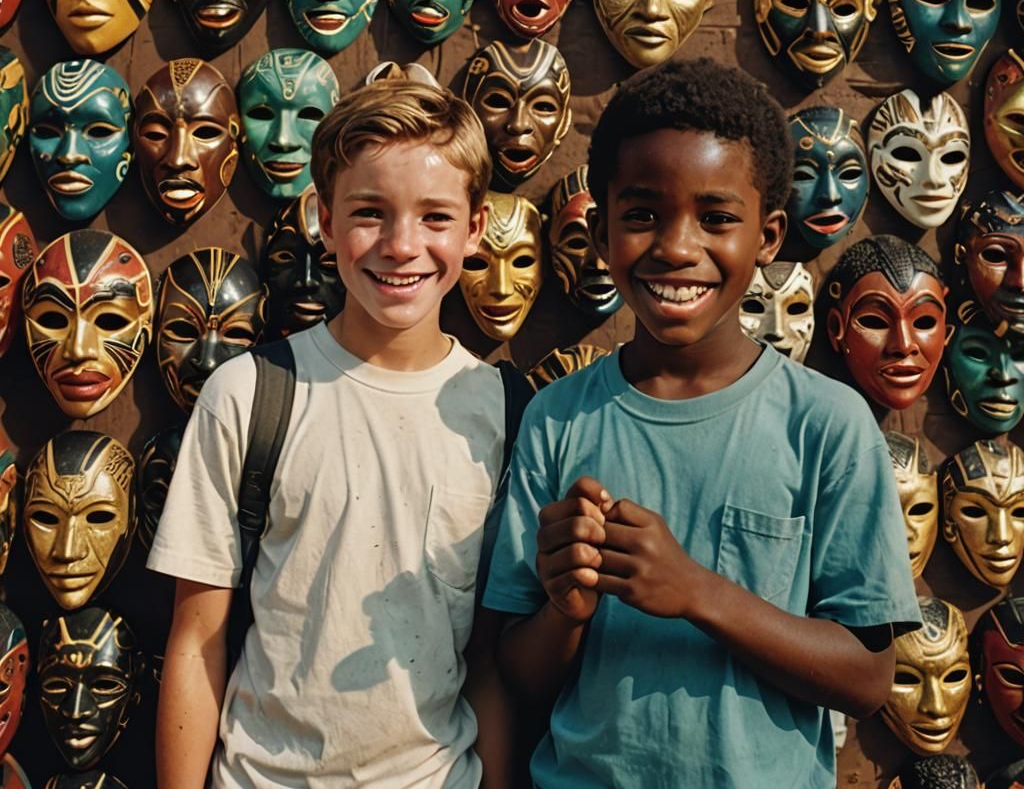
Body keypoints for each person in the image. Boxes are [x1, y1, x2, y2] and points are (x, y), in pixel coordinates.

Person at [482, 59, 921, 788]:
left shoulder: (826, 425)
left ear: (769, 236)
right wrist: (566, 608)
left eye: (716, 218)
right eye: (643, 214)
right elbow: (520, 673)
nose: (678, 247)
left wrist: (698, 592)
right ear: (600, 230)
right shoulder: (560, 416)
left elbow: (867, 679)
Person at [149, 81, 514, 788]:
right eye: (369, 214)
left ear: (476, 228)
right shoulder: (249, 395)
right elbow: (196, 642)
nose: (402, 246)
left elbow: (489, 661)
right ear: (321, 217)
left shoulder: (501, 411)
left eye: (435, 216)